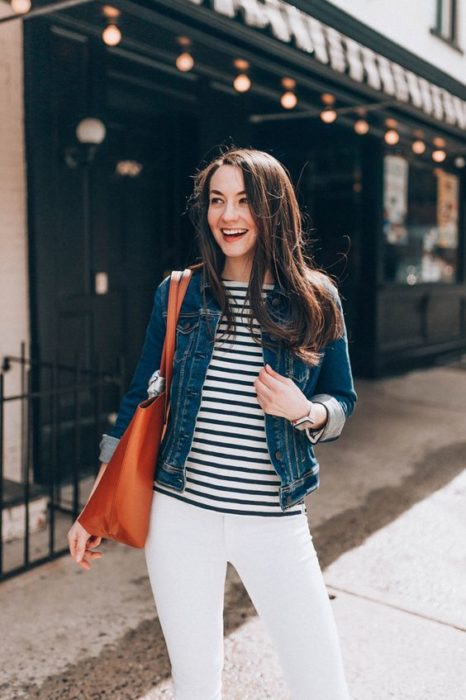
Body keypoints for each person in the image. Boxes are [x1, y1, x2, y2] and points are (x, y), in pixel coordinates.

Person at [67, 147, 357, 699]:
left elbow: (342, 399)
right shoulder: (179, 292)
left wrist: (307, 411)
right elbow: (138, 401)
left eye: (245, 201)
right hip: (180, 516)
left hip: (274, 520)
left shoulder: (317, 299)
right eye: (217, 201)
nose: (228, 216)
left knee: (320, 683)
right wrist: (97, 503)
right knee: (196, 683)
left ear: (273, 208)